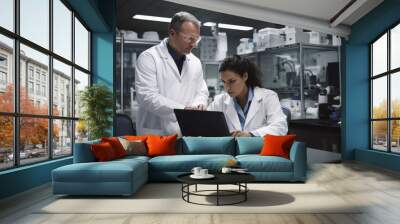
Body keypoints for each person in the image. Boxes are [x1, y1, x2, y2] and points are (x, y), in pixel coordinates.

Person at [135, 12, 209, 136]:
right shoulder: (149, 57)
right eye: (190, 39)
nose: (194, 45)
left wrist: (198, 105)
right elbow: (146, 96)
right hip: (156, 133)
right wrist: (183, 110)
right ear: (172, 34)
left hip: (186, 131)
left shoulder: (195, 62)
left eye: (196, 40)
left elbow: (201, 92)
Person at [208, 55, 288, 137]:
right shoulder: (220, 101)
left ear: (245, 76)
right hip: (230, 149)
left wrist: (251, 135)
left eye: (232, 81)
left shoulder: (268, 97)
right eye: (223, 82)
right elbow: (205, 125)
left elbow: (280, 127)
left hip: (260, 148)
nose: (227, 87)